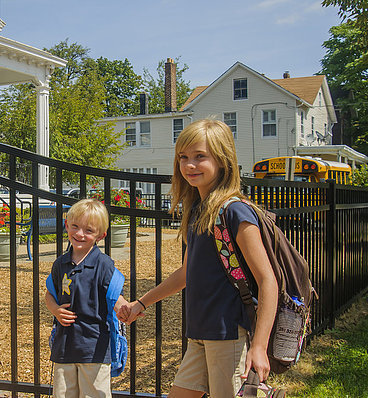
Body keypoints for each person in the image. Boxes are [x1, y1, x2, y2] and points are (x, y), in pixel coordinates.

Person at [118, 119, 278, 398]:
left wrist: (259, 347)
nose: (189, 165)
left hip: (229, 336)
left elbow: (268, 281)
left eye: (200, 157)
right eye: (183, 157)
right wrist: (142, 302)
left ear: (223, 160)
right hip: (201, 335)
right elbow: (186, 273)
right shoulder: (198, 211)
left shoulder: (235, 212)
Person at [45, 198, 128, 398]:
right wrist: (55, 310)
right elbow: (50, 294)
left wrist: (125, 308)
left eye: (89, 230)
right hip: (64, 346)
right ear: (67, 225)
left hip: (94, 348)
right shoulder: (60, 264)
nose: (80, 234)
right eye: (75, 226)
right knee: (63, 394)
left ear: (101, 235)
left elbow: (114, 296)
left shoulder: (104, 264)